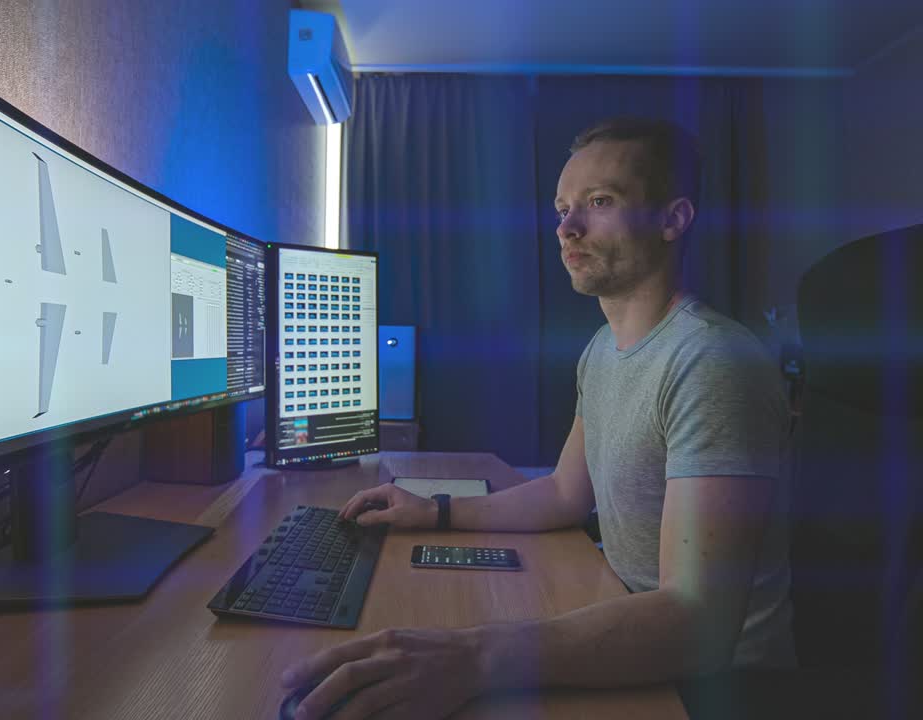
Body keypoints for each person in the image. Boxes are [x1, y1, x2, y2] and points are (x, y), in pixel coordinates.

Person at [281, 117, 793, 720]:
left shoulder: (712, 361)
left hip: (713, 682)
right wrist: (435, 512)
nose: (568, 228)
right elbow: (563, 494)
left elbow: (697, 623)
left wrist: (477, 657)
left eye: (600, 202)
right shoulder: (603, 349)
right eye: (562, 208)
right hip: (628, 614)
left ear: (672, 219)